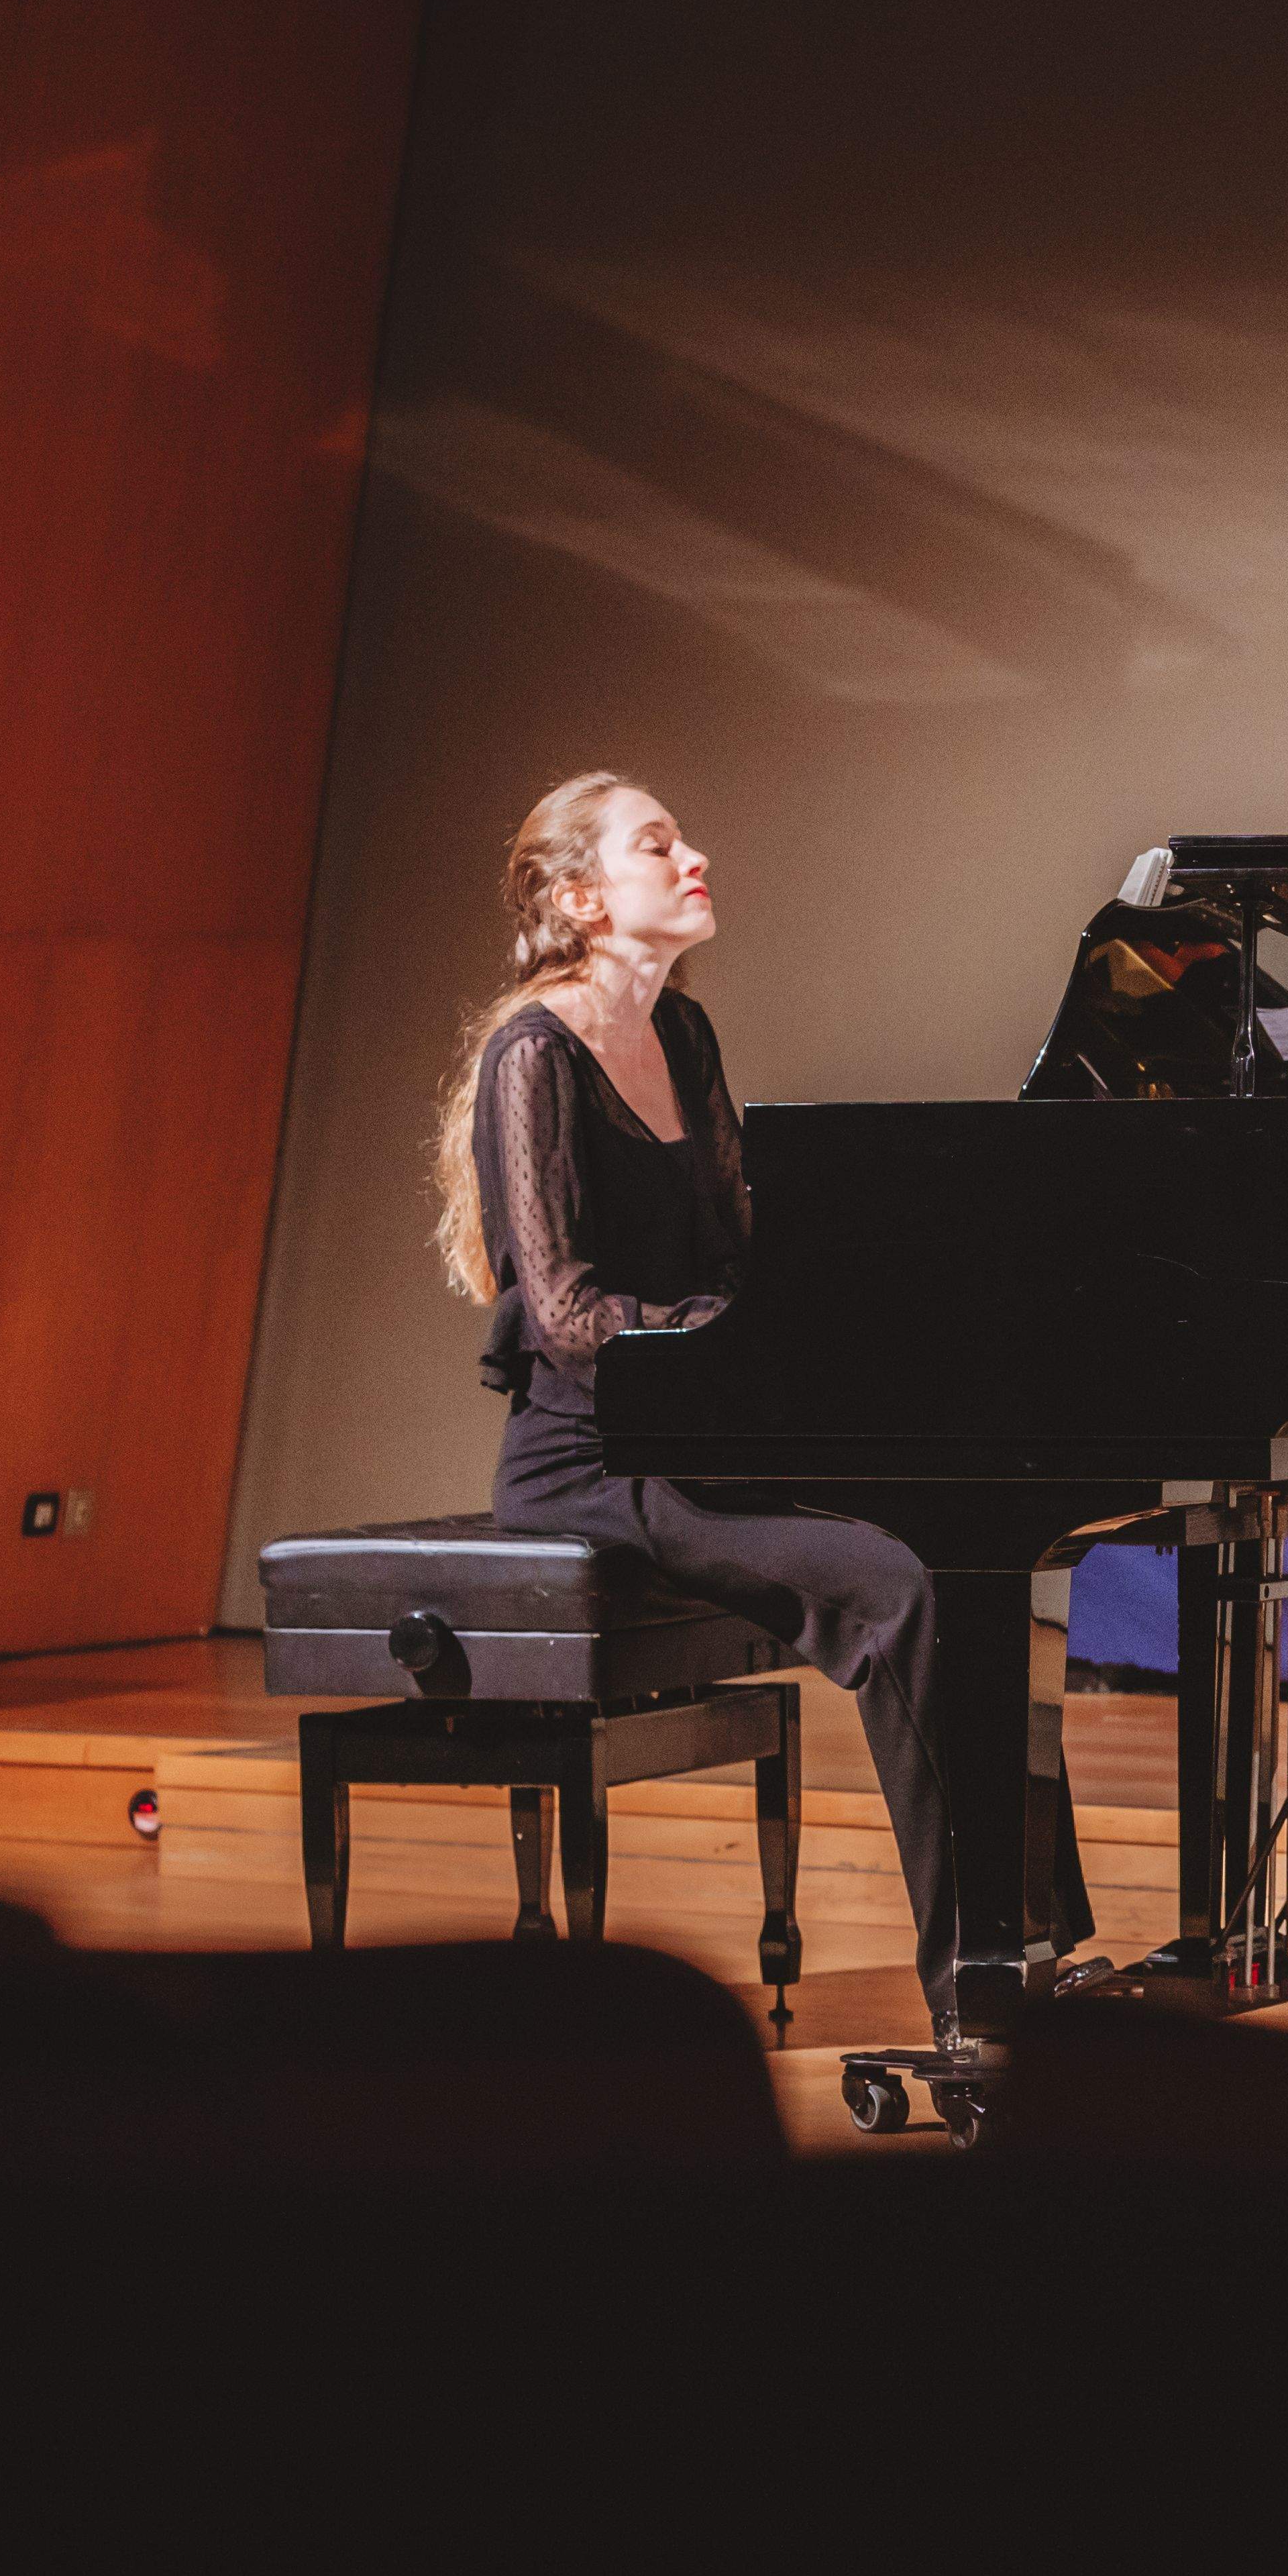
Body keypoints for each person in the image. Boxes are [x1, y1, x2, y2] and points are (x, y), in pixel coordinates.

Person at [432, 770, 1089, 2032]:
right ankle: (978, 2000)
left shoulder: (685, 1034)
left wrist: (833, 1307)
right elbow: (569, 1322)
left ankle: (1043, 1947)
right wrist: (727, 1338)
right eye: (658, 844)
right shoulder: (535, 1056)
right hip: (596, 1460)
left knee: (974, 1557)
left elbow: (741, 1254)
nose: (696, 856)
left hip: (706, 1432)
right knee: (897, 1585)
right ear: (581, 897)